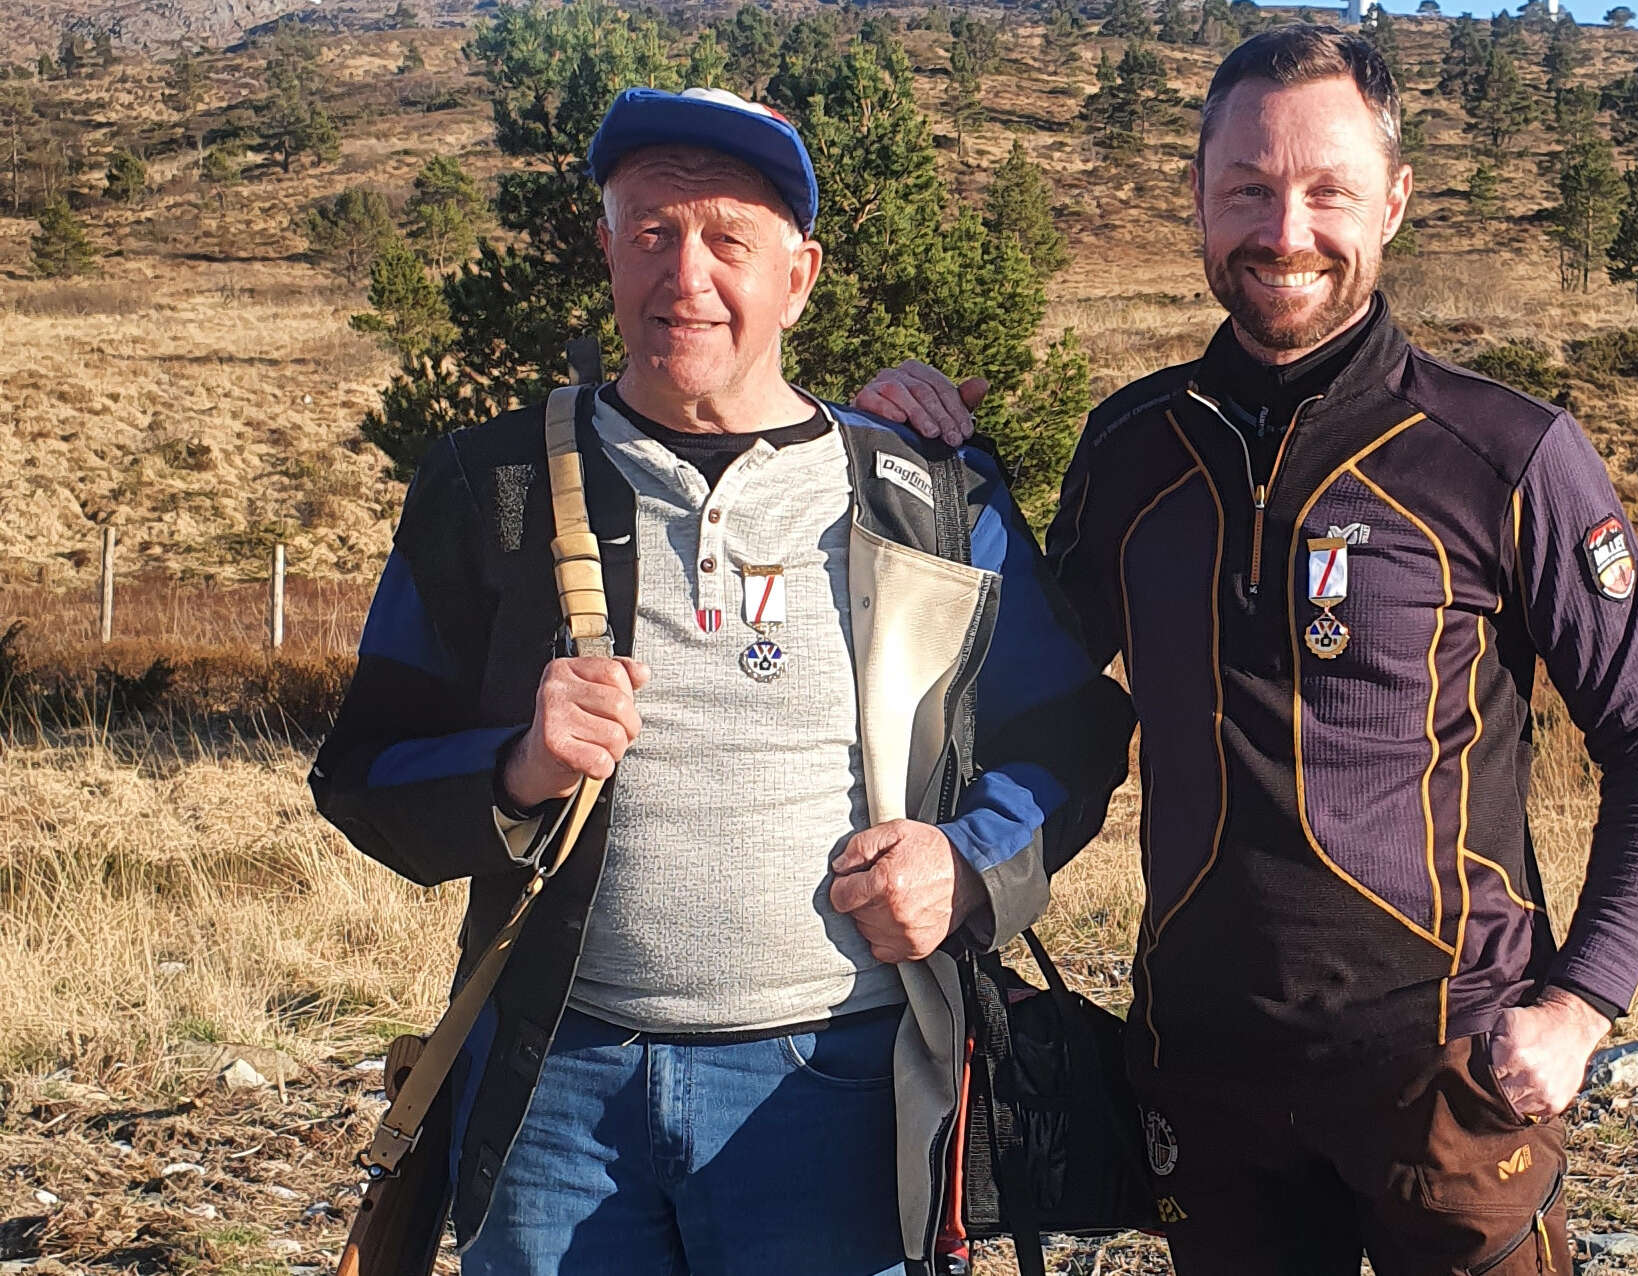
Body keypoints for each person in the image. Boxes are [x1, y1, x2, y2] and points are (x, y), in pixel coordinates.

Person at [857, 26, 1638, 1276]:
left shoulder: (1504, 455)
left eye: (1328, 190)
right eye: (1250, 188)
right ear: (1199, 199)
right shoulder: (1133, 450)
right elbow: (1028, 692)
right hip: (1206, 1080)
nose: (1287, 229)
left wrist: (1581, 1008)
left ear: (1395, 201)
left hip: (1449, 1078)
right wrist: (924, 456)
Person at [311, 86, 1131, 1276]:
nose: (684, 274)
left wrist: (965, 865)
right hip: (553, 1101)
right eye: (651, 232)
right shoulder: (491, 486)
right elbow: (362, 772)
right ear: (607, 253)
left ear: (799, 276)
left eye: (728, 239)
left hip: (841, 1090)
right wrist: (515, 768)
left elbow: (1069, 731)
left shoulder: (927, 496)